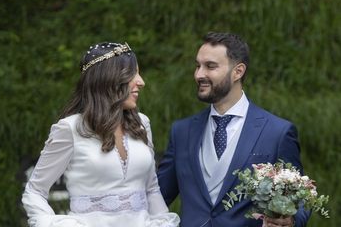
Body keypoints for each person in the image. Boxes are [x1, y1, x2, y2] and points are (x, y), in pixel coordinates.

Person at [157, 32, 310, 227]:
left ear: (238, 72)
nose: (199, 74)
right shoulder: (181, 131)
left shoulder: (277, 132)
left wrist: (291, 220)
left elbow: (301, 198)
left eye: (210, 66)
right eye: (198, 66)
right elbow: (158, 197)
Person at [22, 42, 180, 227]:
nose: (141, 81)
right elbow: (34, 191)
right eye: (132, 74)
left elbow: (151, 188)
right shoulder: (70, 129)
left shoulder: (142, 124)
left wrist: (163, 221)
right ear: (108, 78)